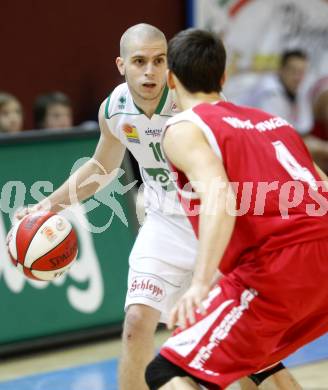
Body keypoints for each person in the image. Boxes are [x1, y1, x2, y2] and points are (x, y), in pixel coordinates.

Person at [16, 24, 298, 390]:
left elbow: (236, 171)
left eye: (158, 61)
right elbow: (102, 168)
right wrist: (50, 205)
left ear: (170, 65)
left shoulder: (196, 101)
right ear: (121, 65)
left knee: (253, 362)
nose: (149, 71)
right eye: (139, 61)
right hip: (163, 224)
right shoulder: (114, 108)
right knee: (136, 323)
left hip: (213, 225)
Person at [145, 28, 328, 390]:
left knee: (166, 372)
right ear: (223, 77)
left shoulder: (183, 128)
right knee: (258, 361)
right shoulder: (274, 122)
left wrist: (200, 282)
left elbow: (219, 197)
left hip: (277, 268)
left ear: (170, 79)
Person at [238, 49, 311, 135]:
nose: (297, 78)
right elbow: (275, 133)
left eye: (301, 72)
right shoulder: (269, 92)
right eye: (293, 71)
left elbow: (305, 126)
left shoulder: (298, 92)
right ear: (281, 69)